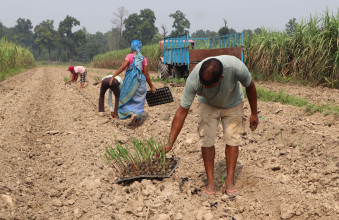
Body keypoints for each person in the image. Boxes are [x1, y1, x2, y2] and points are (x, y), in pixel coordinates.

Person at [164, 55, 259, 197]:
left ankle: (230, 182)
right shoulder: (194, 79)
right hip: (208, 105)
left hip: (233, 103)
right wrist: (169, 143)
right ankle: (210, 183)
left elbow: (250, 86)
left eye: (208, 85)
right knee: (206, 139)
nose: (205, 87)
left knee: (233, 139)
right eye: (203, 83)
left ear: (221, 78)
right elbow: (181, 112)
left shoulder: (235, 68)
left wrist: (254, 113)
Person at [109, 39, 156, 128]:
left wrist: (113, 76)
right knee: (139, 101)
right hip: (140, 82)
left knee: (125, 98)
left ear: (132, 48)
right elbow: (146, 73)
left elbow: (123, 67)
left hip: (130, 82)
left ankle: (130, 114)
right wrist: (152, 86)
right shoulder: (143, 58)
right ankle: (136, 123)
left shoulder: (129, 56)